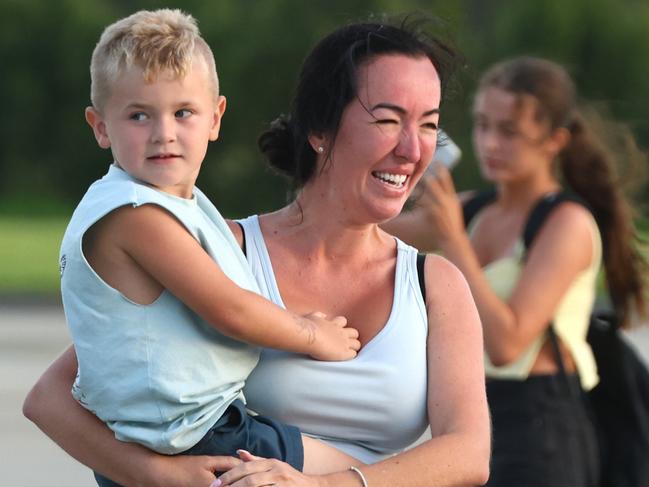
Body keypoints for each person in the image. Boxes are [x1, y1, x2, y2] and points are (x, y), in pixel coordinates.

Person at [24, 16, 491, 487]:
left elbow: (469, 455)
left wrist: (324, 486)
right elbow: (51, 398)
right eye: (387, 120)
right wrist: (155, 474)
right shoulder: (212, 250)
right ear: (320, 130)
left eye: (429, 125)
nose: (412, 149)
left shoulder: (434, 284)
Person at [41, 8, 365, 487]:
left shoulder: (172, 206)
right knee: (364, 466)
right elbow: (228, 308)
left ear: (215, 118)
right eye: (138, 115)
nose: (163, 133)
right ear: (100, 126)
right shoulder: (135, 216)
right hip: (197, 439)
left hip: (174, 436)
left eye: (183, 112)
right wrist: (313, 335)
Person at [384, 56, 649, 487]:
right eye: (482, 124)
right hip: (469, 421)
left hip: (542, 425)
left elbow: (508, 342)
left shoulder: (565, 223)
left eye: (508, 131)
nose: (489, 143)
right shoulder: (472, 208)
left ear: (554, 140)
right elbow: (364, 228)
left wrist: (454, 242)